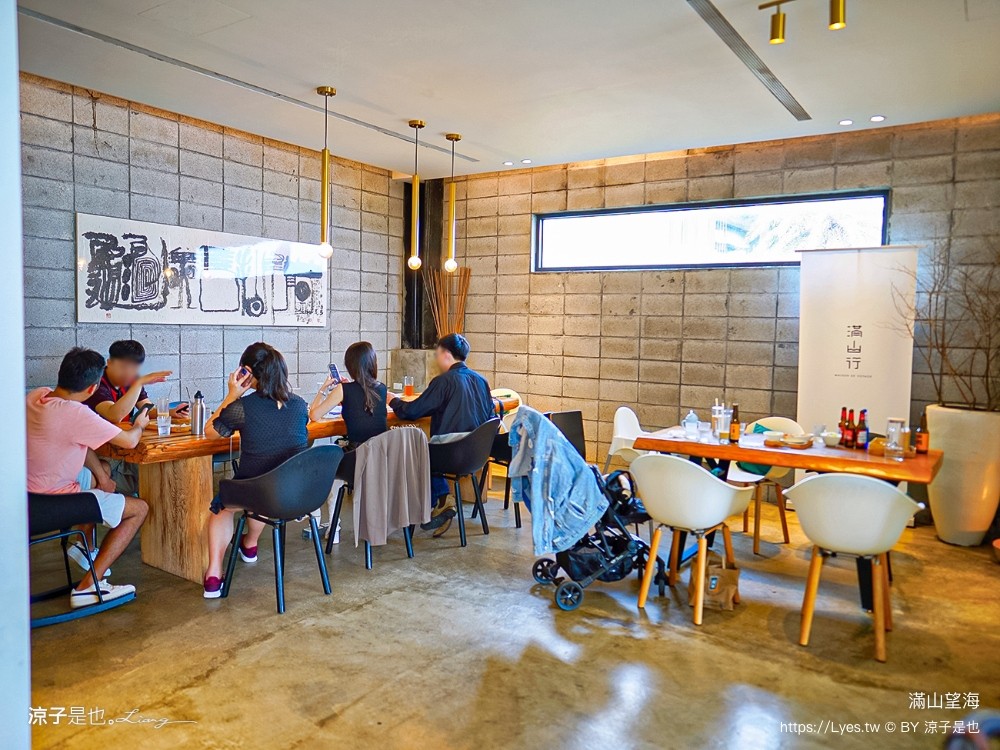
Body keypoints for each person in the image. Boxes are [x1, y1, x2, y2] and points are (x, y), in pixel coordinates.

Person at [26, 347, 149, 608]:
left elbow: (80, 444)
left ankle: (85, 547)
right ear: (92, 389)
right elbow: (128, 441)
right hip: (52, 502)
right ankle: (89, 586)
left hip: (25, 493)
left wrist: (102, 477)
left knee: (101, 469)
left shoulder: (36, 396)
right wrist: (139, 425)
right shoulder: (76, 413)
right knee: (139, 509)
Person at [201, 343, 309, 599]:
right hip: (293, 494)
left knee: (223, 506)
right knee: (267, 481)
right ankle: (249, 546)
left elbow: (209, 432)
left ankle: (214, 575)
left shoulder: (244, 408)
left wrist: (231, 395)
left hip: (255, 490)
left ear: (248, 373)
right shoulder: (299, 405)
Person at [387, 333, 493, 536]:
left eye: (437, 353)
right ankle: (443, 502)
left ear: (446, 354)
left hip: (450, 454)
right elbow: (491, 416)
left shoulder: (444, 381)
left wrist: (392, 400)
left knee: (415, 453)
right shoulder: (482, 381)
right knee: (427, 450)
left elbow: (412, 412)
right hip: (476, 455)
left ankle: (442, 500)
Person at [309, 342, 389, 544]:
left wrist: (324, 390)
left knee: (333, 467)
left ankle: (333, 528)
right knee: (340, 453)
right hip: (382, 458)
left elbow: (314, 414)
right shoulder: (382, 388)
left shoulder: (344, 389)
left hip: (357, 460)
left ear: (350, 365)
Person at [85, 339, 188, 495]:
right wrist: (138, 383)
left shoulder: (133, 381)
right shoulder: (97, 383)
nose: (128, 374)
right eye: (124, 367)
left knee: (165, 471)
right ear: (110, 362)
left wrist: (170, 412)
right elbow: (114, 415)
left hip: (126, 447)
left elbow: (146, 408)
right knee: (153, 478)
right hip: (103, 455)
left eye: (134, 369)